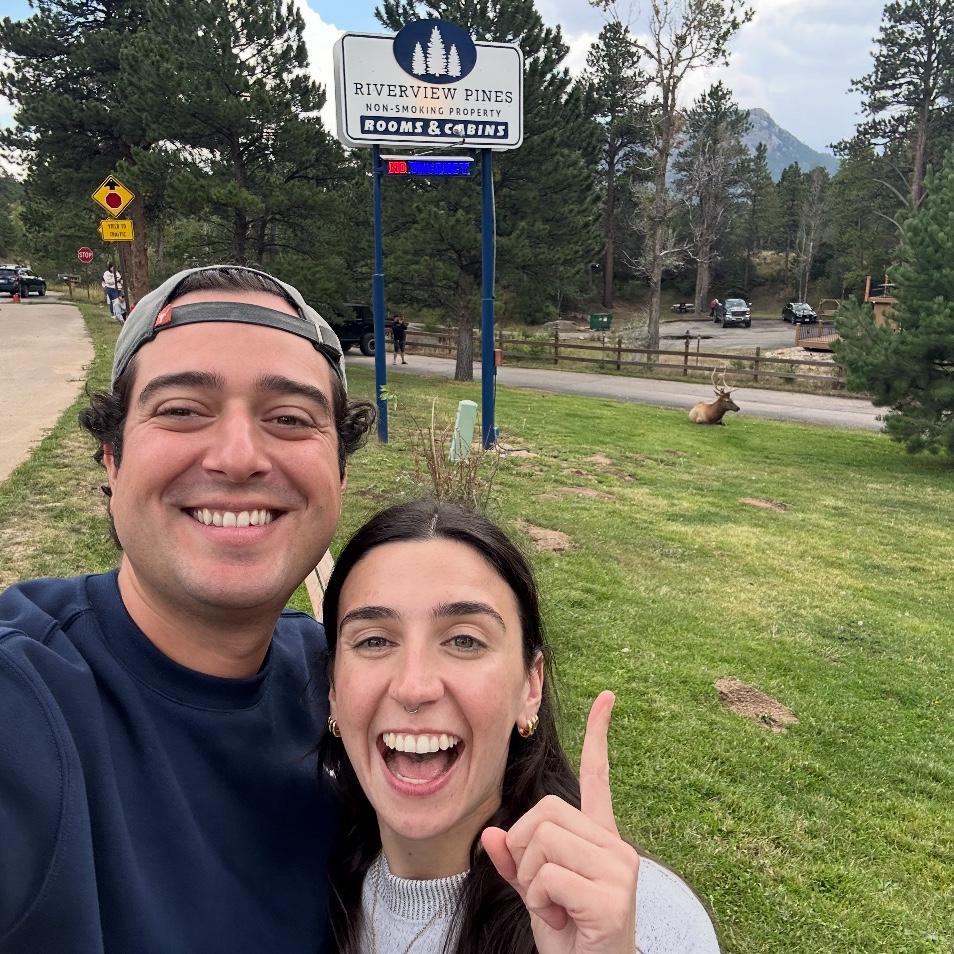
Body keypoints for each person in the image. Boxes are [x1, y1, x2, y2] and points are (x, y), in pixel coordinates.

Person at [0, 265, 375, 954]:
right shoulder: (23, 698)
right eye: (181, 411)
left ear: (341, 473)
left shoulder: (353, 685)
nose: (238, 457)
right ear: (112, 458)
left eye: (290, 419)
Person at [319, 499, 721, 954]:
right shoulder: (307, 881)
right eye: (374, 640)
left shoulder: (642, 921)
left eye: (465, 640)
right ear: (333, 688)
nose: (414, 687)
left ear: (531, 687)